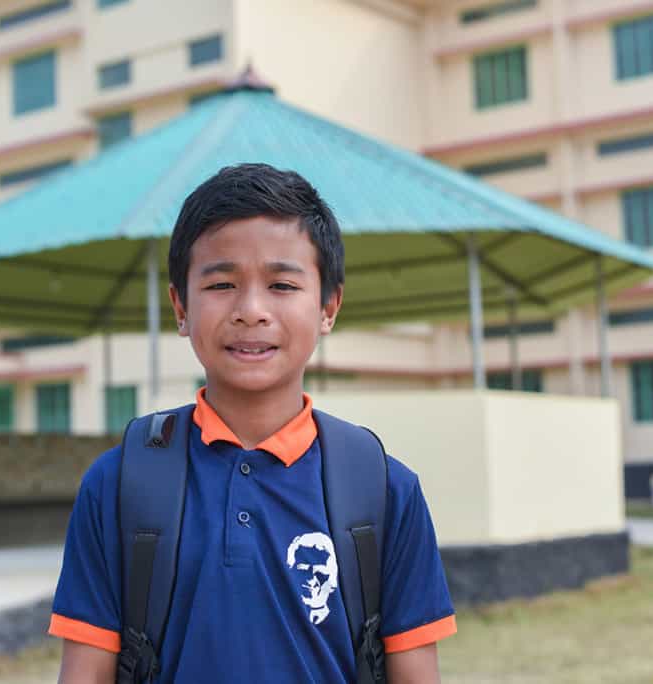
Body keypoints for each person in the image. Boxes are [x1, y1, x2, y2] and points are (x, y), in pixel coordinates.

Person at [49, 163, 456, 683]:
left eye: (282, 284)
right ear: (180, 305)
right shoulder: (117, 486)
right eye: (221, 283)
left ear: (328, 305)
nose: (251, 310)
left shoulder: (384, 490)